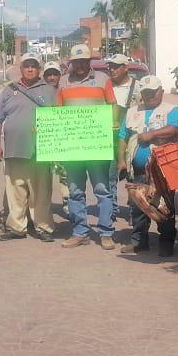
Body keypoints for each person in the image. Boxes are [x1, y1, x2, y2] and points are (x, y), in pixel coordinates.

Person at [57, 43, 118, 250]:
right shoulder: (63, 82)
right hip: (73, 148)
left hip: (97, 146)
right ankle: (80, 232)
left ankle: (106, 232)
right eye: (77, 62)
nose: (81, 65)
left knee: (102, 190)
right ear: (71, 63)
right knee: (75, 192)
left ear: (90, 62)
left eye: (84, 61)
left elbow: (112, 106)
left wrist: (113, 125)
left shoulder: (103, 80)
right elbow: (57, 113)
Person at [0, 54, 57, 242]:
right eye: (26, 66)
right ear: (20, 69)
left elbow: (60, 119)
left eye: (34, 66)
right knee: (15, 191)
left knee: (41, 192)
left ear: (39, 69)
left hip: (40, 151)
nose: (30, 69)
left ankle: (43, 227)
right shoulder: (9, 90)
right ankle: (16, 227)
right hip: (14, 150)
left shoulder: (49, 90)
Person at [120, 75, 178, 256]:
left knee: (164, 206)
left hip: (162, 170)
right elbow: (122, 138)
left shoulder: (171, 109)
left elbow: (177, 128)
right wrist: (121, 161)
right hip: (137, 169)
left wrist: (152, 135)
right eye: (146, 93)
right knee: (137, 206)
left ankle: (166, 242)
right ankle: (139, 241)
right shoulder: (132, 111)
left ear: (161, 91)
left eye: (153, 93)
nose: (149, 97)